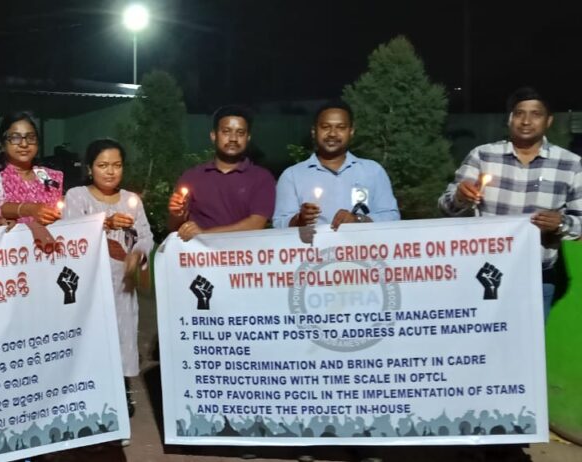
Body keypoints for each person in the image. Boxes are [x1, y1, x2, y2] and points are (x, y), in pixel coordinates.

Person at [439, 87, 582, 319]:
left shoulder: (571, 164)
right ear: (509, 119)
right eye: (519, 113)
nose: (526, 121)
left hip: (538, 277)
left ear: (549, 121)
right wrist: (460, 198)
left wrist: (561, 223)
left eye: (535, 114)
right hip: (484, 273)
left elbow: (580, 223)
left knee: (531, 342)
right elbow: (446, 207)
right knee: (484, 339)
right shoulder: (483, 156)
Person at [63, 139, 154, 420]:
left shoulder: (131, 200)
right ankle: (90, 396)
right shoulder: (77, 196)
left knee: (122, 337)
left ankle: (120, 395)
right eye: (103, 165)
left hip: (121, 285)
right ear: (90, 168)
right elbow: (70, 230)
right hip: (89, 286)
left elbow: (146, 236)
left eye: (117, 165)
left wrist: (137, 254)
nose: (111, 171)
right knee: (91, 338)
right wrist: (105, 223)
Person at [274, 100, 400, 230]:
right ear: (314, 131)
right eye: (325, 127)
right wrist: (299, 219)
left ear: (351, 131)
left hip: (360, 243)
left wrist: (358, 219)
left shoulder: (373, 171)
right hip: (313, 244)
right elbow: (279, 224)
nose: (332, 134)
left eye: (341, 127)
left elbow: (392, 216)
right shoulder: (292, 176)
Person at [168, 105, 276, 241]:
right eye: (226, 132)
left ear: (248, 138)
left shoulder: (261, 178)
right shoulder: (191, 177)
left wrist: (205, 234)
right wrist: (176, 214)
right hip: (200, 253)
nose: (233, 138)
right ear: (214, 136)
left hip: (243, 252)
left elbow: (256, 224)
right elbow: (174, 228)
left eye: (240, 133)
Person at [0, 111, 62, 226]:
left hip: (48, 236)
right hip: (14, 237)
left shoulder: (43, 174)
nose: (24, 144)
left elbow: (56, 201)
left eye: (31, 137)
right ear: (3, 143)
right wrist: (29, 209)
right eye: (15, 138)